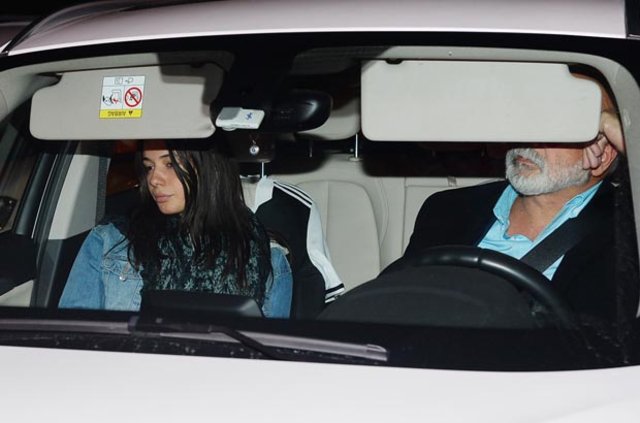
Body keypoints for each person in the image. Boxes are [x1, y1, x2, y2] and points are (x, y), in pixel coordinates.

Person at [389, 76, 638, 323]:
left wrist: (615, 127)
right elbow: (392, 301)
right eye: (528, 117)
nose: (529, 137)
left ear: (602, 155)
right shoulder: (447, 209)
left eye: (560, 123)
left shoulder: (629, 231)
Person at [59, 138, 293, 318]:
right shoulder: (110, 241)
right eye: (149, 167)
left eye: (169, 164)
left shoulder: (268, 259)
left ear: (210, 168)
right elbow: (71, 339)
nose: (154, 180)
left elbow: (269, 356)